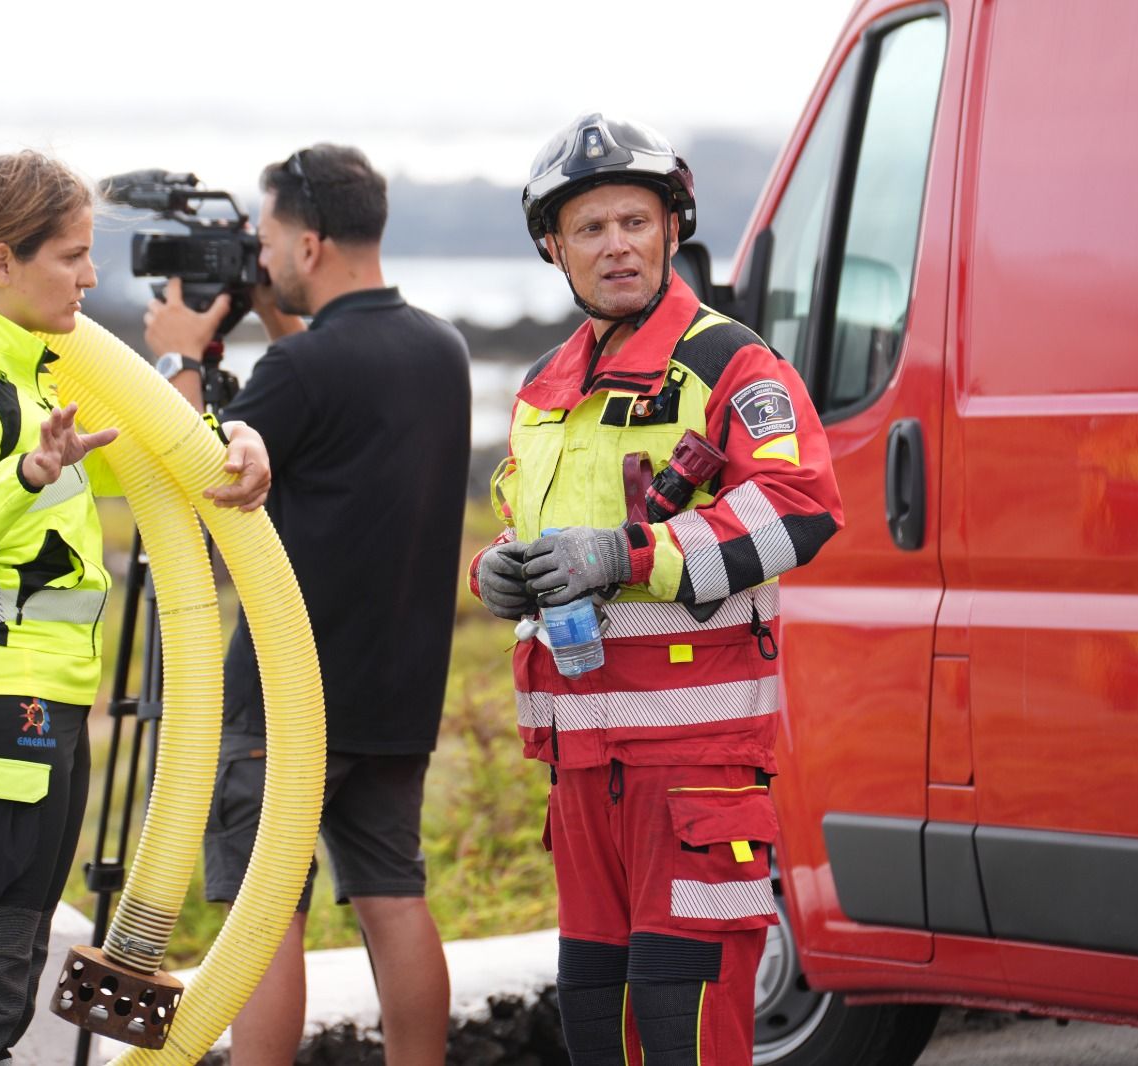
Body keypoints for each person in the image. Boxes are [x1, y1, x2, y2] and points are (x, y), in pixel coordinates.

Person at [470, 114, 843, 1066]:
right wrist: (498, 572)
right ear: (553, 246)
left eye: (635, 222)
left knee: (685, 1028)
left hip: (696, 769)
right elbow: (531, 530)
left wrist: (631, 554)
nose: (617, 246)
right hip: (582, 771)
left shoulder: (732, 364)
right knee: (600, 1027)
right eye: (590, 229)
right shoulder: (545, 389)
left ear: (671, 229)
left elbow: (801, 508)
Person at [0, 149, 270, 1066]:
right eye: (70, 255)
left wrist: (235, 440)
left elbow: (152, 453)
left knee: (2, 989)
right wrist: (25, 475)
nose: (92, 276)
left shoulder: (33, 377)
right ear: (1, 260)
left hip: (39, 704)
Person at [143, 143, 470, 1066]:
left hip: (286, 694)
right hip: (399, 691)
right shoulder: (439, 349)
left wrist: (175, 354)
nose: (262, 254)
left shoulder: (305, 372)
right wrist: (282, 320)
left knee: (263, 911)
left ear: (312, 242)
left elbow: (192, 467)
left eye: (271, 235)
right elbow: (330, 397)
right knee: (393, 897)